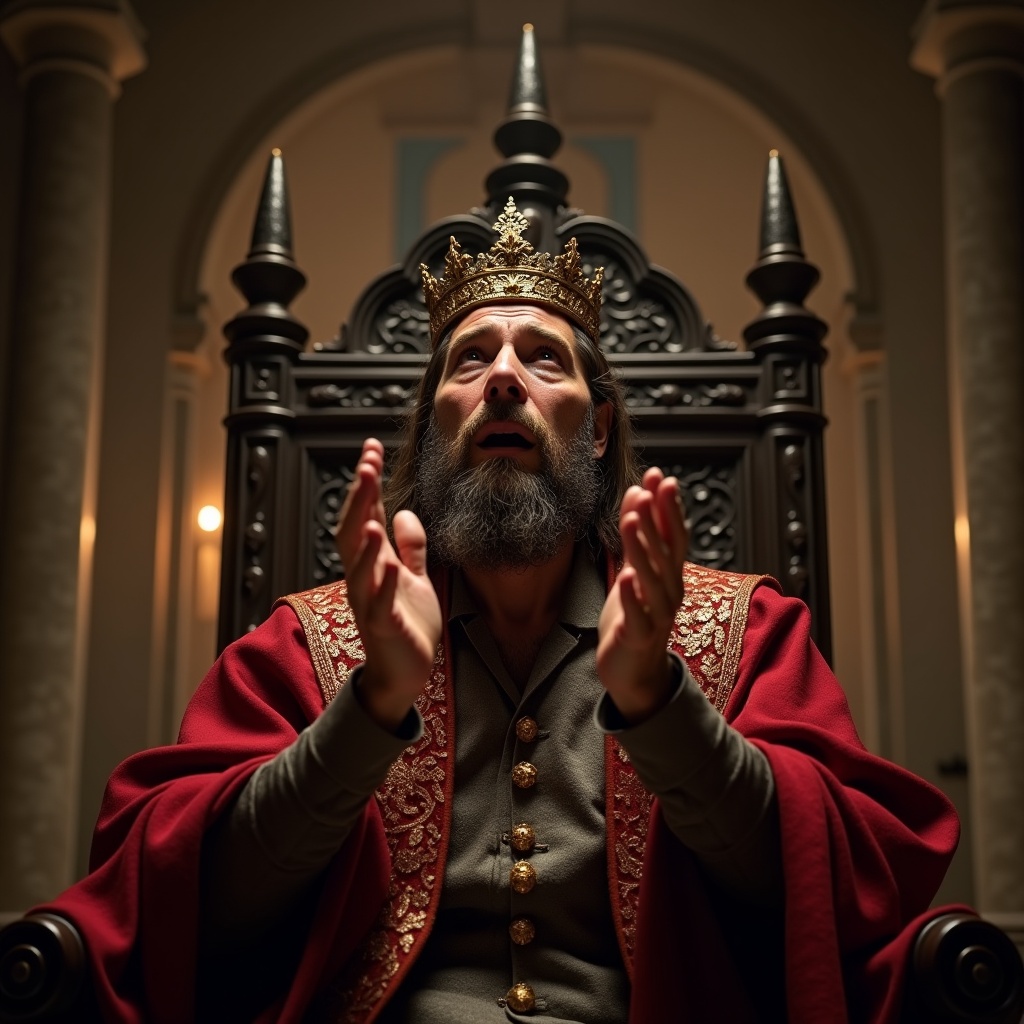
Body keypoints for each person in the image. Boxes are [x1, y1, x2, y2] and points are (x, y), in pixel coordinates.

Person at [42, 200, 958, 1024]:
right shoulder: (311, 641)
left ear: (597, 428)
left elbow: (830, 891)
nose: (505, 378)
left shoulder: (741, 630)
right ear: (434, 424)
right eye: (471, 359)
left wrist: (659, 703)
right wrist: (370, 709)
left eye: (543, 358)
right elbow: (189, 899)